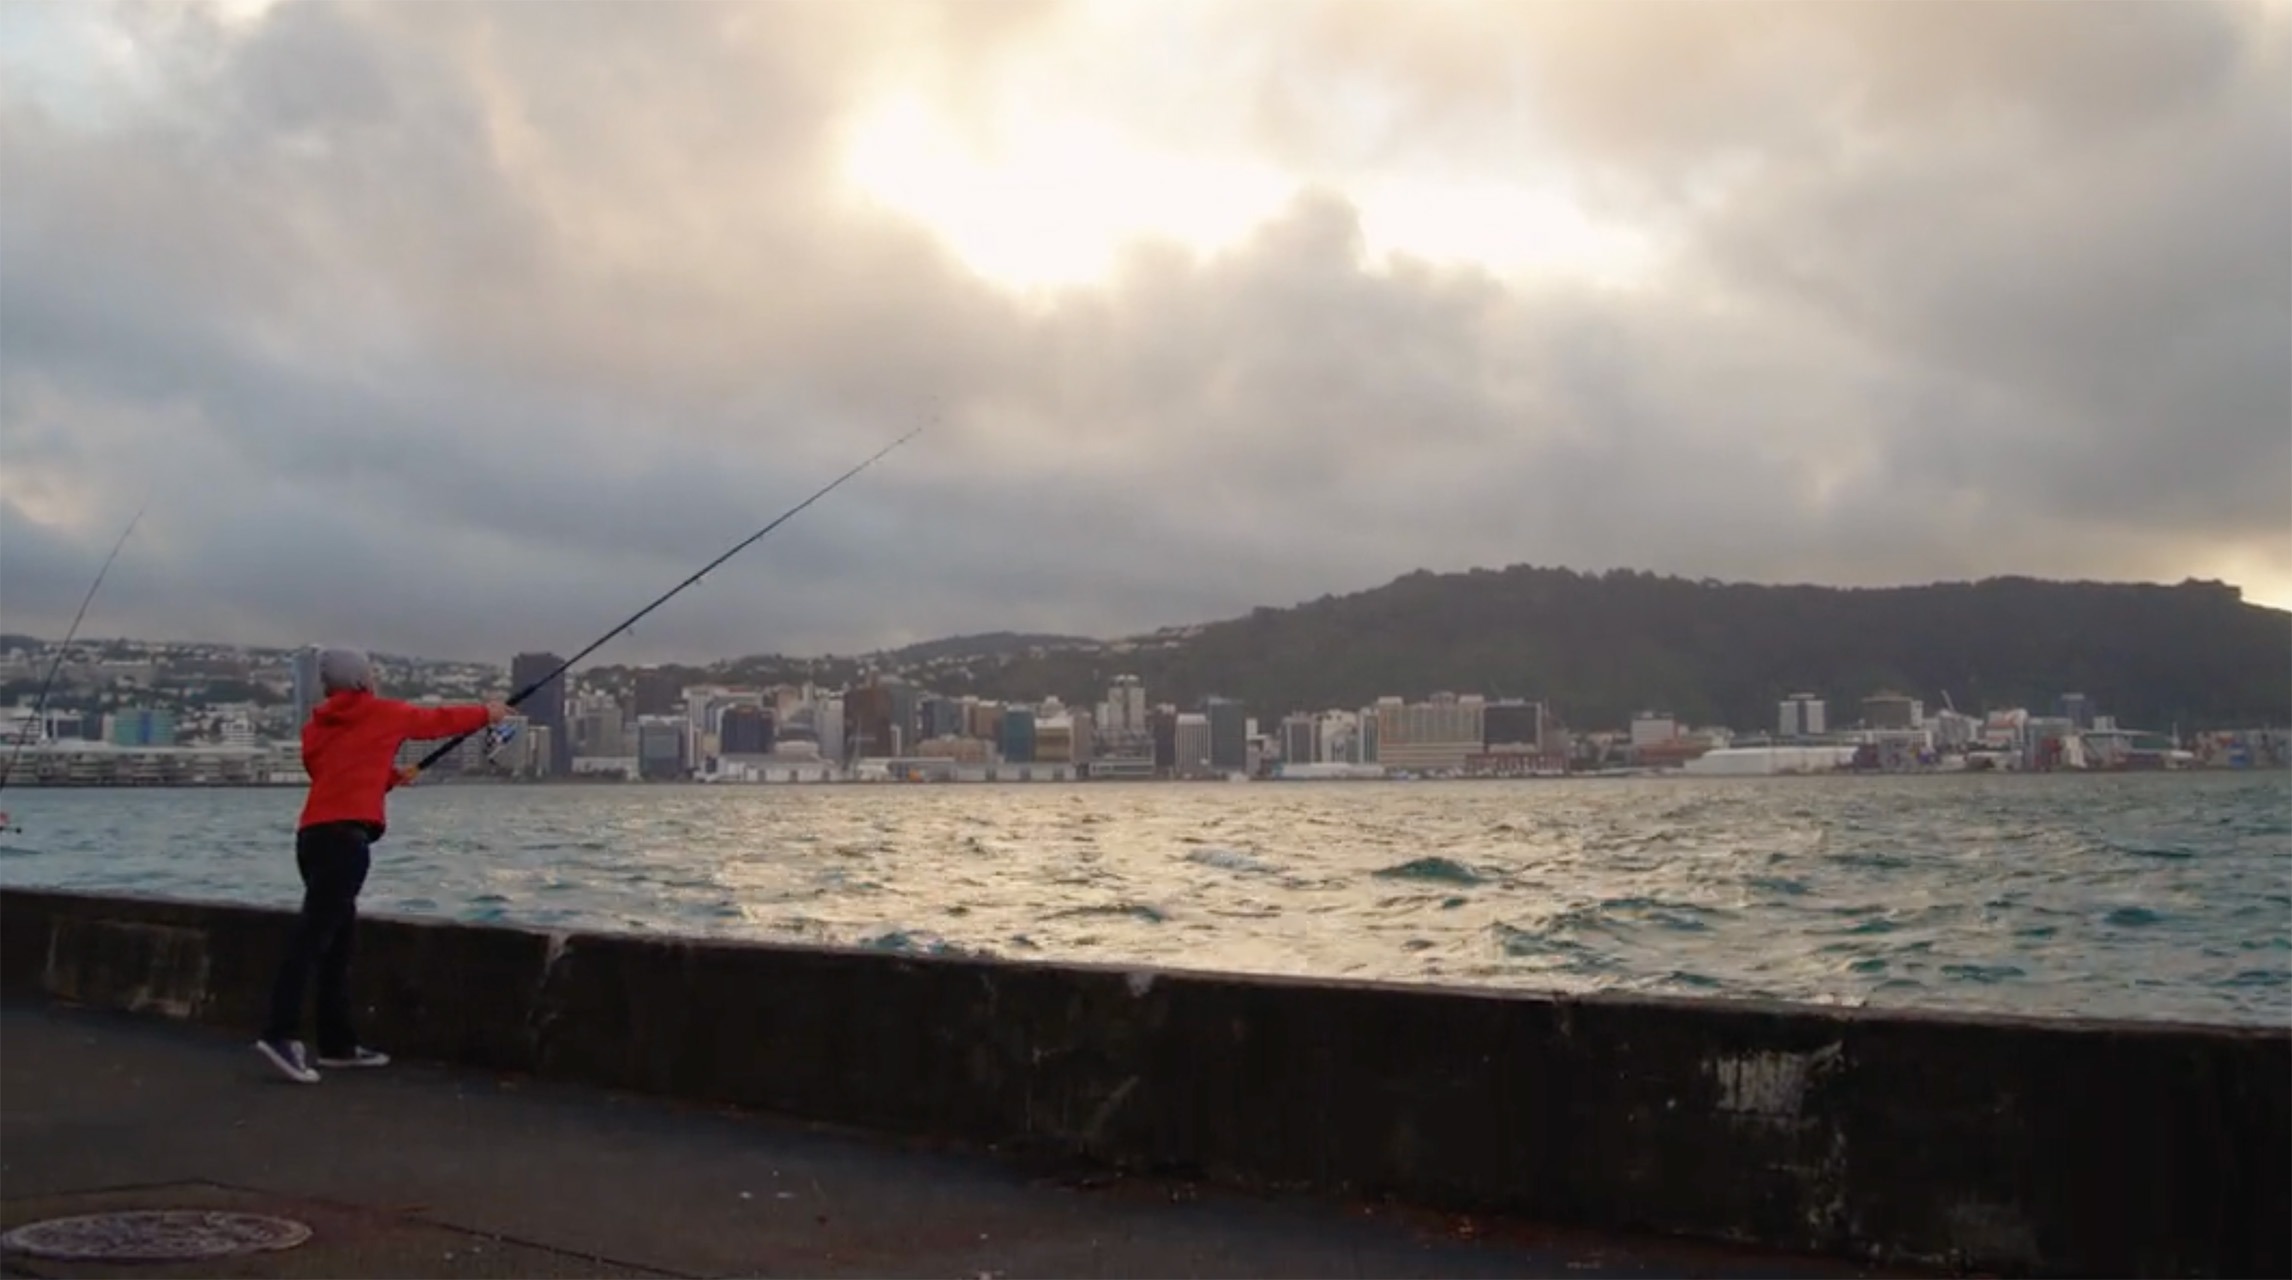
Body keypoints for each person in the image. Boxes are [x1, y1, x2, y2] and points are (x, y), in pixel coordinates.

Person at [254, 647, 506, 1084]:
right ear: (364, 681)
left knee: (337, 943)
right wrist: (487, 711)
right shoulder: (381, 712)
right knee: (314, 939)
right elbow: (437, 722)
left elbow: (331, 773)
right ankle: (279, 1034)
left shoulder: (315, 727)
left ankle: (338, 1045)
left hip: (312, 837)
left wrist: (388, 778)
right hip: (345, 842)